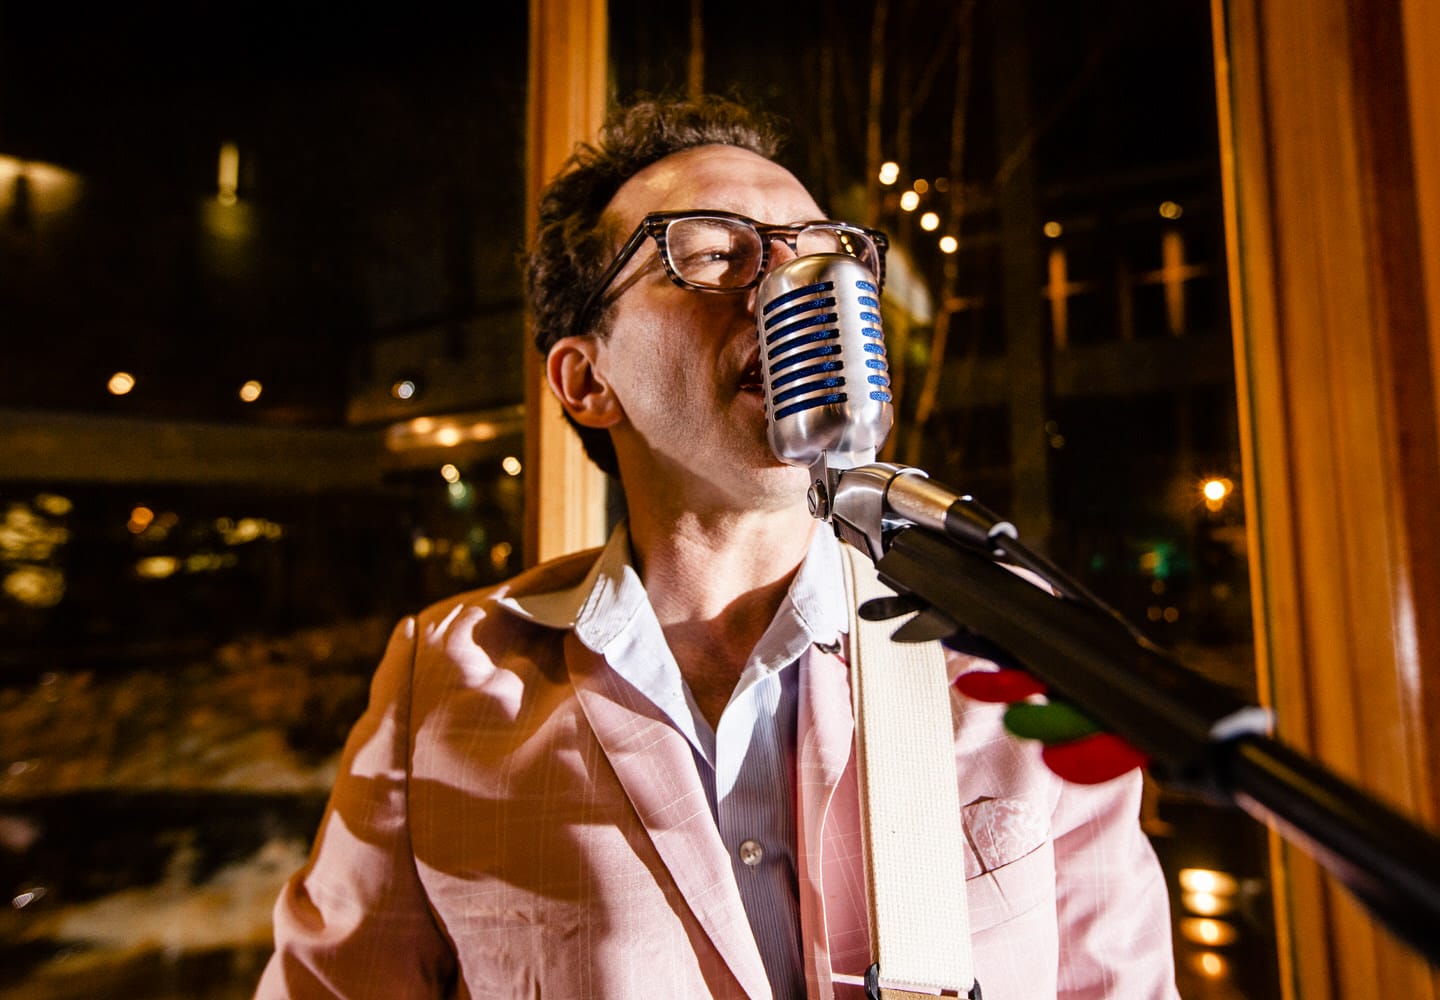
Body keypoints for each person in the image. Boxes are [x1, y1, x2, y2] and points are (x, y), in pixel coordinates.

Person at [254, 95, 1178, 1000]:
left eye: (820, 250)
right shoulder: (445, 685)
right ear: (588, 379)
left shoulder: (1013, 642)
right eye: (712, 255)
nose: (794, 285)